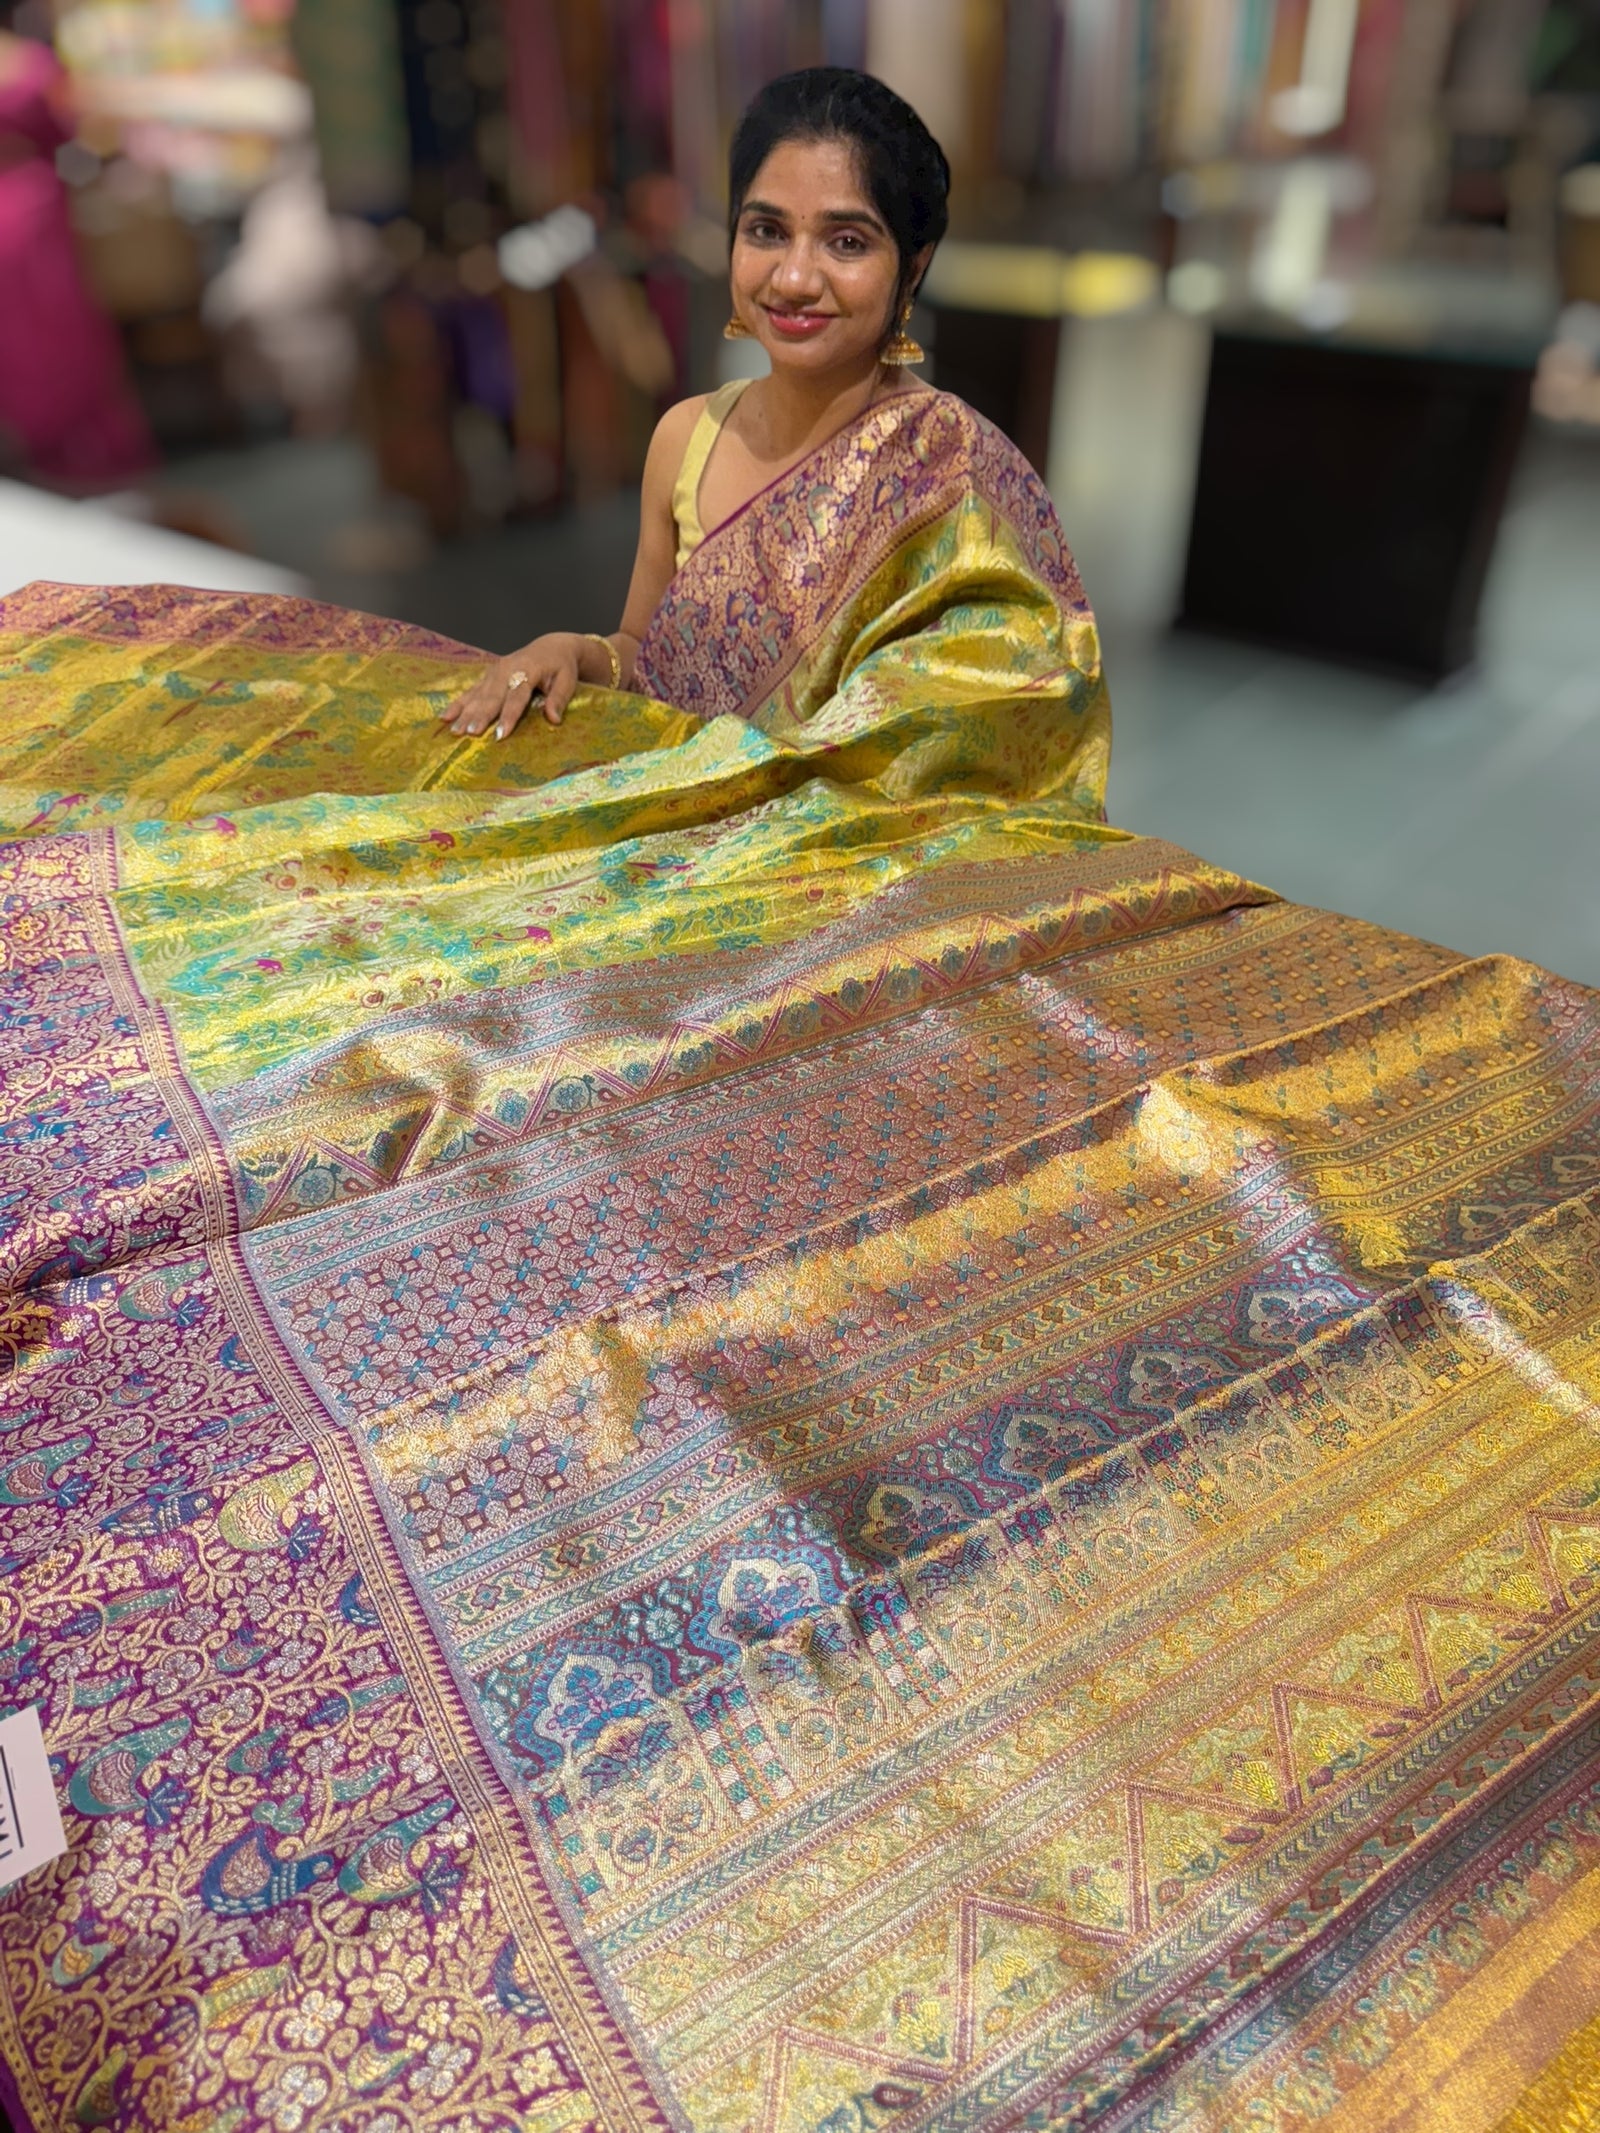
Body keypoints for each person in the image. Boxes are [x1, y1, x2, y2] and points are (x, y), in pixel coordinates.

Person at [436, 64, 1108, 828]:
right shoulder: (685, 436)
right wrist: (578, 652)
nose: (793, 277)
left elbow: (999, 748)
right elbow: (646, 655)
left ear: (912, 269)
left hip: (848, 879)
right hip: (670, 826)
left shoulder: (952, 473)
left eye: (846, 241)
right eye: (766, 231)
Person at [0, 9, 153, 489]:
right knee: (53, 337)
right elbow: (76, 124)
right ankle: (76, 459)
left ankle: (48, 459)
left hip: (34, 212)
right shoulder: (26, 59)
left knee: (39, 340)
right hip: (33, 210)